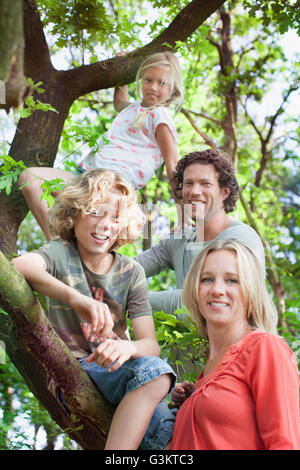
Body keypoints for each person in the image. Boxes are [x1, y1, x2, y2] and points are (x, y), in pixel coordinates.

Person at [12, 169, 177, 450]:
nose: (105, 225)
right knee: (158, 374)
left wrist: (128, 348)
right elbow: (16, 268)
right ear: (73, 214)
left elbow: (150, 344)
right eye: (95, 212)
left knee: (170, 433)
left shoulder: (131, 271)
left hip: (123, 370)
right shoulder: (62, 252)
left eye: (114, 217)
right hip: (76, 368)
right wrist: (77, 299)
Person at [18, 51, 184, 241]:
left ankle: (89, 247)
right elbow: (119, 102)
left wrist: (183, 213)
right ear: (140, 80)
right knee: (30, 179)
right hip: (85, 177)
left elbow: (173, 165)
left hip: (112, 185)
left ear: (172, 88)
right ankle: (57, 244)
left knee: (86, 221)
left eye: (162, 83)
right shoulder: (133, 108)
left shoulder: (160, 116)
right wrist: (123, 69)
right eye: (148, 80)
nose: (153, 87)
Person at [170, 238, 300, 450]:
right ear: (195, 288)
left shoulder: (265, 348)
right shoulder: (206, 372)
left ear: (250, 290)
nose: (217, 290)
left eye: (232, 280)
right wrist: (191, 401)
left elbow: (284, 444)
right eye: (206, 279)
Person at [135, 149, 266, 315]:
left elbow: (202, 301)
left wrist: (134, 297)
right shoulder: (180, 240)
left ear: (225, 192)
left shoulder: (242, 239)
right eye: (189, 183)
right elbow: (127, 269)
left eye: (206, 184)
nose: (195, 191)